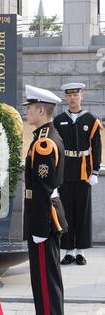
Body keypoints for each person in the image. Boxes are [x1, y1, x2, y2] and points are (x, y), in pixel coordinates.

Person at [20, 85, 68, 315]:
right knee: (46, 279)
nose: (26, 110)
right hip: (46, 217)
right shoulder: (45, 137)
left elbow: (42, 189)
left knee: (45, 279)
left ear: (41, 110)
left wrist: (38, 228)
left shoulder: (44, 143)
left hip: (44, 219)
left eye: (29, 107)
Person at [54, 83, 102, 266]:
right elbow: (56, 149)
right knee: (66, 213)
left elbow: (96, 147)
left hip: (84, 173)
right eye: (69, 95)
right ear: (66, 98)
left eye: (76, 95)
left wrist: (95, 171)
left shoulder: (91, 120)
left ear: (82, 96)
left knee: (82, 212)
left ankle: (80, 252)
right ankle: (68, 251)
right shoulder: (59, 120)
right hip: (65, 173)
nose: (73, 98)